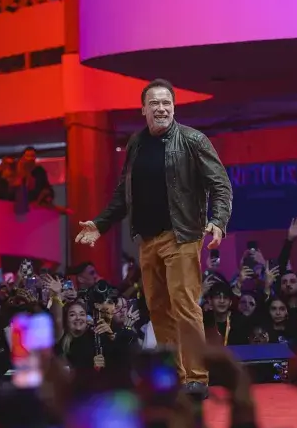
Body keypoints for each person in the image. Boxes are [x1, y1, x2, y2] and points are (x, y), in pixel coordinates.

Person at [75, 78, 233, 397]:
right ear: (143, 109)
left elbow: (221, 185)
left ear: (173, 107)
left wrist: (218, 221)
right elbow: (124, 193)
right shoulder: (136, 143)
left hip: (182, 235)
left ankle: (196, 378)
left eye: (167, 103)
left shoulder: (193, 140)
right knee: (158, 309)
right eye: (155, 104)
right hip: (147, 240)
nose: (161, 109)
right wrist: (100, 224)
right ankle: (173, 377)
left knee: (185, 305)